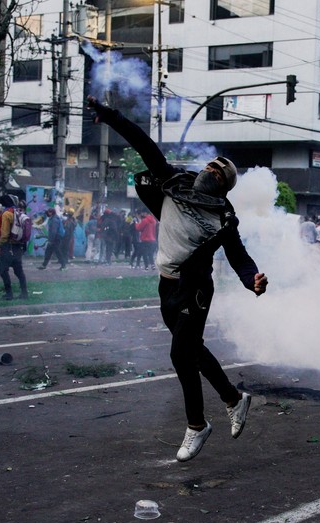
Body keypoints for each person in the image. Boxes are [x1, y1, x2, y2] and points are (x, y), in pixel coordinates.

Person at [87, 95, 268, 462]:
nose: (211, 172)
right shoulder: (172, 182)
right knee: (194, 351)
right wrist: (110, 117)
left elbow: (239, 257)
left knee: (180, 354)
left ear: (224, 188)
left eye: (220, 174)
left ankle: (197, 426)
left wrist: (253, 280)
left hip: (195, 290)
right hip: (167, 283)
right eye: (211, 167)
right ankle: (234, 400)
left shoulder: (223, 220)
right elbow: (143, 143)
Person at [0, 195, 28, 300]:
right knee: (19, 271)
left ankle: (9, 293)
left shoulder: (6, 214)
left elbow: (4, 233)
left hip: (8, 246)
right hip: (18, 246)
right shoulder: (17, 211)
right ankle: (24, 293)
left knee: (3, 270)